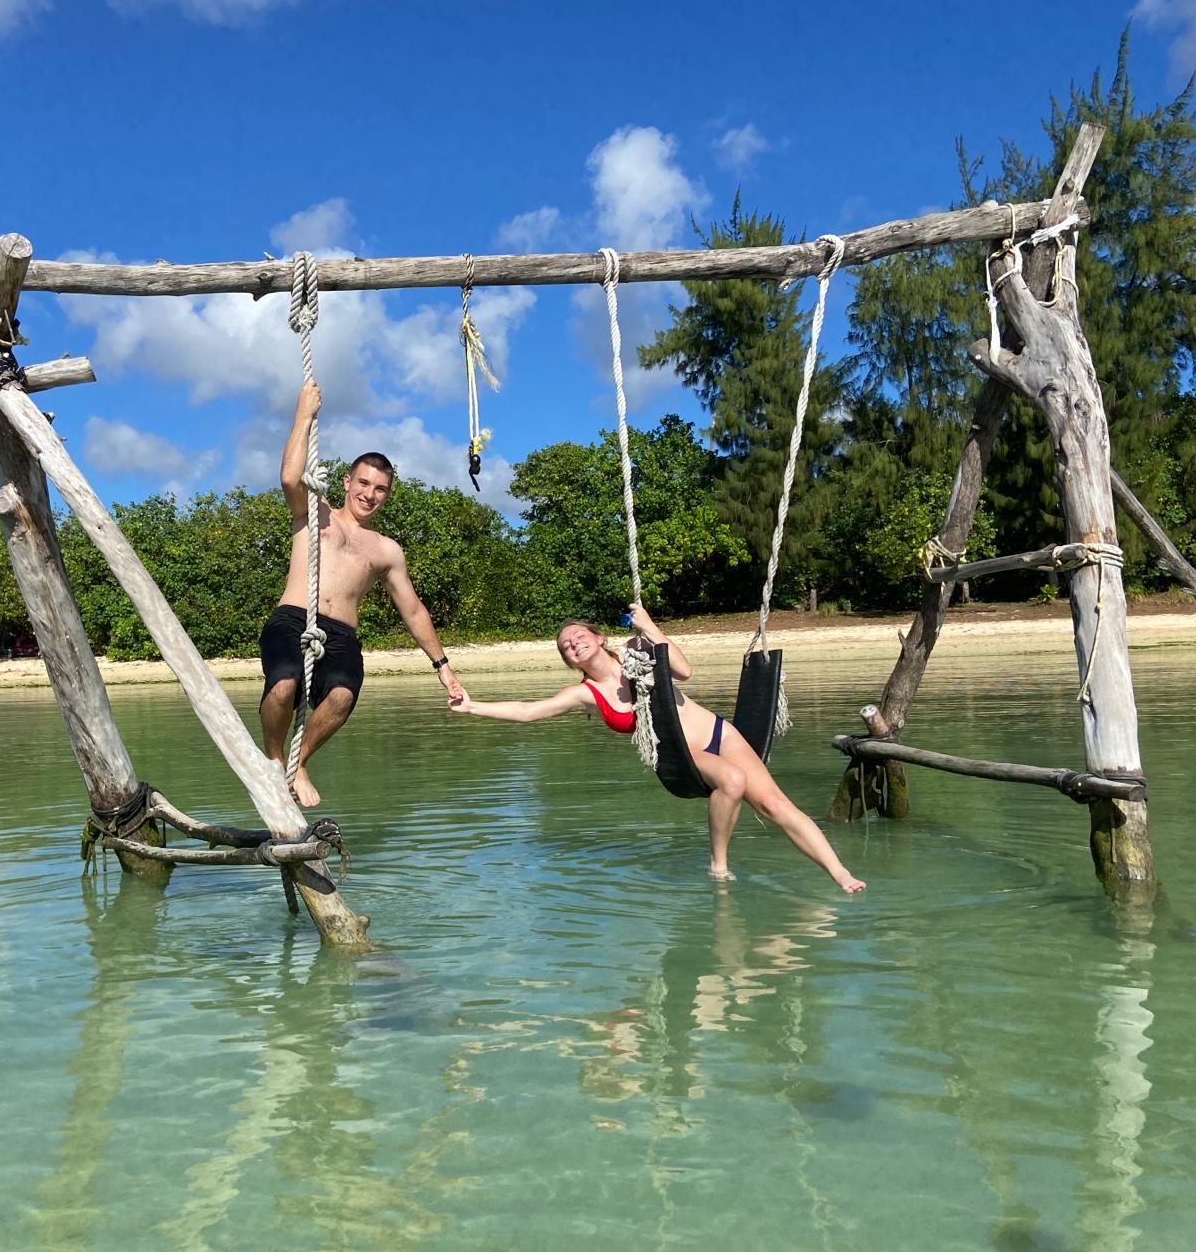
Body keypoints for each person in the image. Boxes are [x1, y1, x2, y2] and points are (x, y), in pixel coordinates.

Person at [448, 604, 865, 891]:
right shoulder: (587, 694)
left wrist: (649, 627)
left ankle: (840, 873)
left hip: (720, 734)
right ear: (569, 660)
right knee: (732, 781)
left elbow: (684, 671)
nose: (573, 643)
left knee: (776, 805)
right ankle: (719, 866)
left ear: (598, 637)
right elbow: (528, 711)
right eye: (566, 646)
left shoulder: (636, 651)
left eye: (578, 636)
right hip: (682, 755)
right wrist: (473, 707)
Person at [261, 381, 464, 807]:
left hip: (341, 635)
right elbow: (289, 476)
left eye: (380, 489)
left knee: (342, 697)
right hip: (294, 618)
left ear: (388, 495)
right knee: (283, 686)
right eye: (364, 483)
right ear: (347, 481)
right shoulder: (315, 512)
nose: (369, 495)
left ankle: (299, 762)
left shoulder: (386, 550)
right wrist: (304, 413)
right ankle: (275, 759)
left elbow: (413, 610)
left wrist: (443, 667)